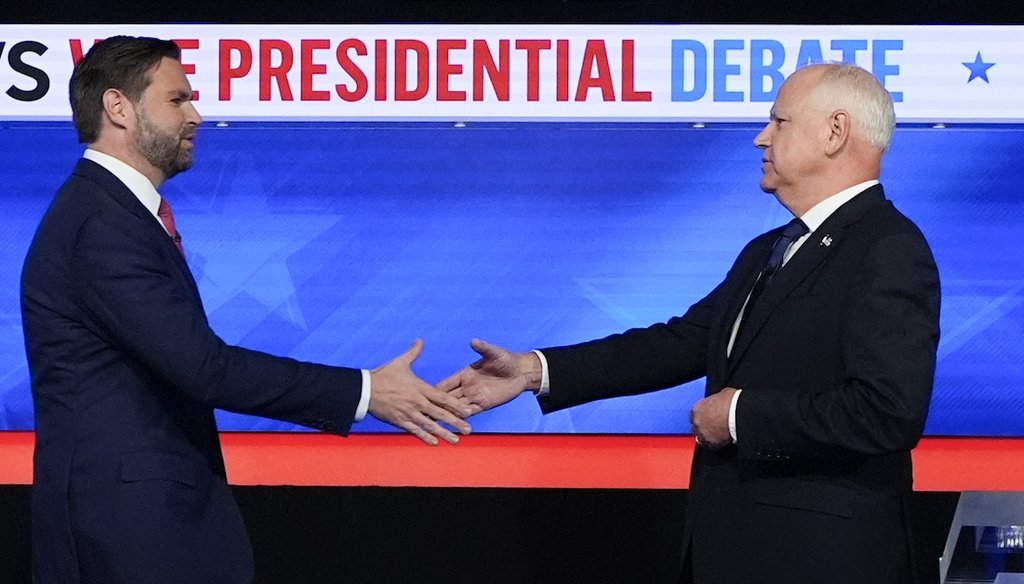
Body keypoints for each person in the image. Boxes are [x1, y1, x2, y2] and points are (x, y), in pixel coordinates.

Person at [440, 62, 940, 584]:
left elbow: (889, 412)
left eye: (779, 122)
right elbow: (681, 342)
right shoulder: (767, 250)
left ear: (835, 132)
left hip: (822, 558)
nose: (760, 138)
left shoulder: (887, 248)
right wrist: (531, 371)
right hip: (735, 551)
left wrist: (741, 415)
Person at [20, 35, 471, 584]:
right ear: (118, 108)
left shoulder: (111, 214)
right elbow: (205, 369)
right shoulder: (101, 225)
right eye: (177, 99)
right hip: (128, 533)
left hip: (144, 524)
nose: (197, 115)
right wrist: (366, 392)